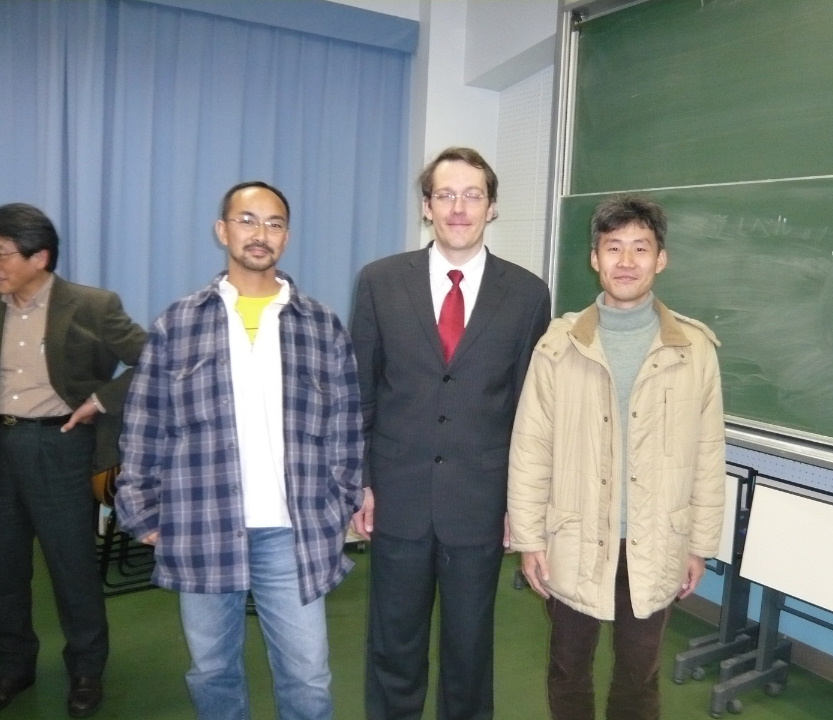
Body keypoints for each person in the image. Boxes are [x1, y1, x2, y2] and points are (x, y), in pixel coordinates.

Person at [115, 181, 363, 720]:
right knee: (211, 669)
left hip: (291, 530)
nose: (260, 233)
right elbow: (145, 422)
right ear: (222, 230)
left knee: (308, 674)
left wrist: (341, 501)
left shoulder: (320, 325)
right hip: (201, 522)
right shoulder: (178, 323)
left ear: (286, 237)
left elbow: (346, 423)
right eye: (247, 220)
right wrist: (142, 510)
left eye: (274, 223)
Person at [507, 194, 726, 720]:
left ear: (661, 259)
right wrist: (530, 539)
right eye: (613, 247)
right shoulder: (558, 346)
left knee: (639, 674)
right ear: (594, 258)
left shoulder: (694, 350)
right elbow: (531, 446)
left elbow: (708, 452)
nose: (626, 261)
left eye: (640, 248)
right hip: (574, 538)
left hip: (656, 540)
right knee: (567, 668)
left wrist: (699, 545)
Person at [350, 147, 551, 720]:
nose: (458, 208)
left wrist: (522, 505)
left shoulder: (528, 294)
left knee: (469, 652)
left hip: (480, 502)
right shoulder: (380, 281)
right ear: (426, 206)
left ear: (491, 207)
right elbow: (360, 392)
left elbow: (530, 412)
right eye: (446, 195)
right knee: (394, 645)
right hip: (397, 497)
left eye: (472, 195)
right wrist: (361, 482)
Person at [0, 203, 147, 718]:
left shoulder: (92, 305)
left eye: (1, 254)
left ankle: (85, 669)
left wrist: (101, 401)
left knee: (71, 567)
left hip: (58, 446)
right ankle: (14, 666)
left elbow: (156, 359)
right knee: (2, 568)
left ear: (39, 257)